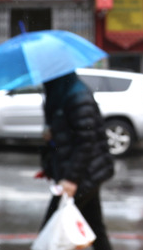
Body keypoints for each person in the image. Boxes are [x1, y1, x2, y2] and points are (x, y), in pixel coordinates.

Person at [39, 71, 115, 250]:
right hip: (81, 173)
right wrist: (50, 136)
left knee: (49, 231)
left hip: (82, 175)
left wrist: (72, 179)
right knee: (95, 226)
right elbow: (67, 135)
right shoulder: (61, 94)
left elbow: (86, 141)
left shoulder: (77, 96)